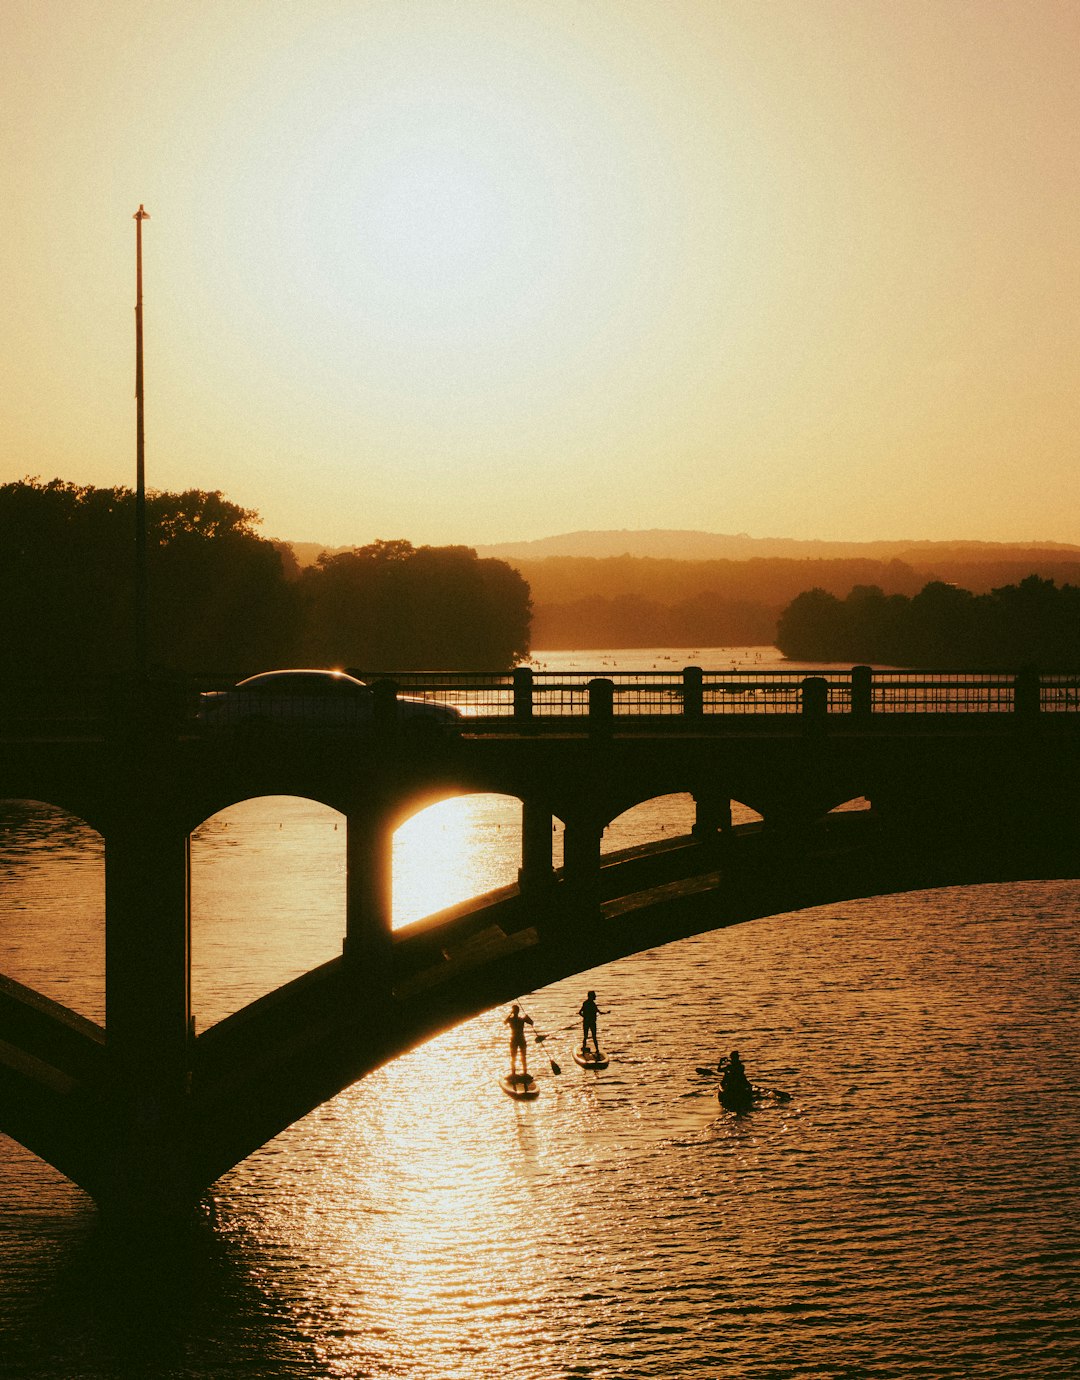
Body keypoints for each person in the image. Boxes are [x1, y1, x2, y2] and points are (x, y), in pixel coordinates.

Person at [504, 1004, 534, 1080]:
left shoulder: (513, 1019)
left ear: (514, 1011)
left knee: (515, 1057)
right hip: (519, 1039)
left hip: (515, 1040)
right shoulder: (521, 1019)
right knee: (521, 1057)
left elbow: (505, 1022)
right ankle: (522, 1073)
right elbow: (531, 1022)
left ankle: (516, 1073)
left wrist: (510, 1013)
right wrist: (527, 1018)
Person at [578, 990, 603, 1056]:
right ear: (591, 996)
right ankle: (596, 1050)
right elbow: (580, 1012)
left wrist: (585, 1017)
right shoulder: (589, 1004)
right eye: (594, 995)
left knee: (588, 1036)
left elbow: (580, 1013)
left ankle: (594, 1050)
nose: (595, 996)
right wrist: (586, 1017)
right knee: (590, 1036)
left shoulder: (589, 1003)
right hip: (590, 1022)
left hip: (588, 1022)